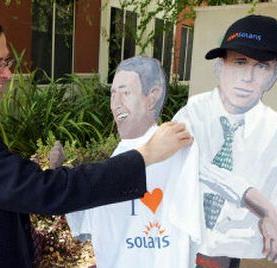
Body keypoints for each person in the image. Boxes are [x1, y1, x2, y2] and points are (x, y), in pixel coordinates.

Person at [0, 7, 193, 267]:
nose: (7, 73)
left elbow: (4, 185)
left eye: (6, 61)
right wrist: (146, 156)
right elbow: (44, 191)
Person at [173, 15, 277, 267]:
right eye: (240, 62)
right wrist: (252, 197)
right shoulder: (192, 114)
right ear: (220, 67)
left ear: (274, 75)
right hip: (177, 242)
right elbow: (179, 166)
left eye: (262, 66)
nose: (247, 77)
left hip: (225, 256)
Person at [65, 56, 202, 268]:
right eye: (113, 94)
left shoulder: (182, 150)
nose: (115, 104)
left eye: (125, 93)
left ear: (152, 96)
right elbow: (90, 219)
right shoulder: (120, 154)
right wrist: (61, 171)